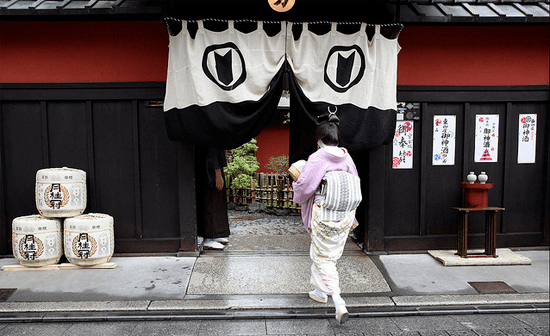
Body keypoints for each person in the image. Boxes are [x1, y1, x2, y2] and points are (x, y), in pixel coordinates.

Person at [291, 110, 361, 324]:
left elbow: (305, 186)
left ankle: (338, 301)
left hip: (324, 215)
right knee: (323, 254)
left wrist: (296, 186)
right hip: (344, 215)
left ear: (319, 139)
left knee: (323, 258)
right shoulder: (346, 156)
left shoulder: (318, 157)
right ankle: (319, 292)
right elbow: (355, 182)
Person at [195, 146, 231, 250]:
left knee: (217, 201)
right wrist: (217, 173)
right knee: (210, 202)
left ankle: (215, 234)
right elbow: (212, 155)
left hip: (211, 169)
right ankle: (208, 238)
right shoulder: (210, 132)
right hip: (209, 171)